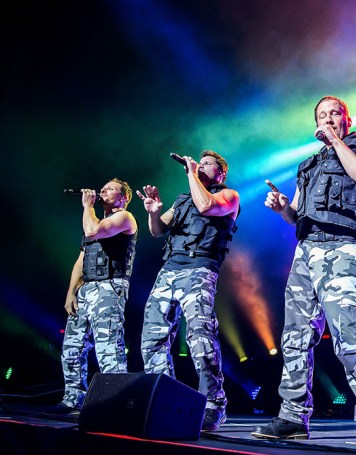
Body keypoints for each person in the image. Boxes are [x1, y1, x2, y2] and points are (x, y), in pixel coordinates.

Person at [251, 96, 356, 447]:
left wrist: (334, 141)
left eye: (334, 113)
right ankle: (292, 416)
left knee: (350, 334)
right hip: (306, 252)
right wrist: (284, 207)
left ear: (347, 118)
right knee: (295, 338)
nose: (328, 118)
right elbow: (297, 216)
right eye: (322, 115)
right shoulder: (309, 164)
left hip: (342, 246)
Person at [136, 150, 240, 432]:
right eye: (200, 162)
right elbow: (158, 230)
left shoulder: (229, 196)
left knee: (200, 338)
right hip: (169, 269)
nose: (201, 165)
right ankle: (162, 399)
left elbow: (207, 206)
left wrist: (193, 174)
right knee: (152, 339)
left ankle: (213, 405)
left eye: (208, 164)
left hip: (200, 269)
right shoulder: (182, 199)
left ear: (221, 173)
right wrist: (153, 212)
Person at [47, 179, 137, 415]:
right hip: (86, 289)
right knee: (72, 346)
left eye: (110, 189)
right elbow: (82, 258)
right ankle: (73, 397)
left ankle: (114, 403)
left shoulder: (124, 218)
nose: (104, 190)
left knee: (108, 347)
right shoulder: (95, 219)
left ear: (123, 197)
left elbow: (92, 230)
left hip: (110, 286)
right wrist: (71, 292)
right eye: (103, 188)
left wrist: (88, 206)